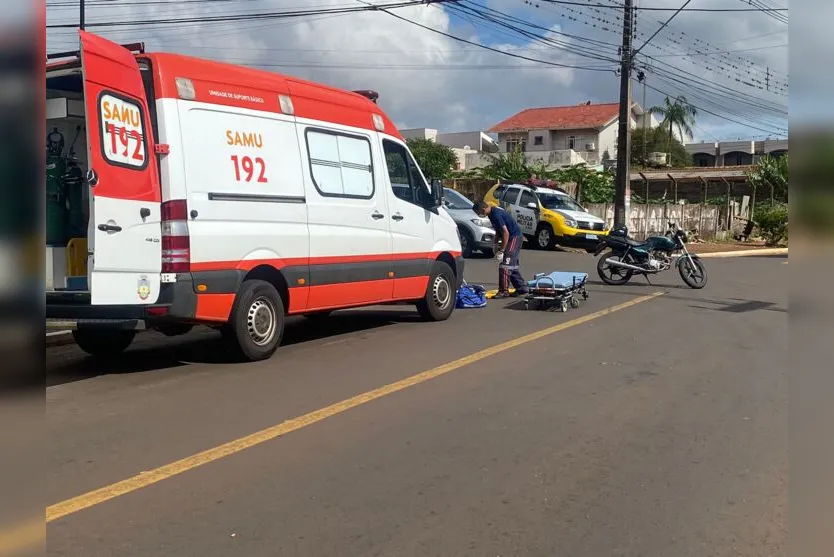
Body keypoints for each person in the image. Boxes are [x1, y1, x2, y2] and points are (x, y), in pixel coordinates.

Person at [473, 200, 528, 298]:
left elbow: (505, 232)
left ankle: (504, 291)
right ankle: (521, 288)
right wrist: (495, 244)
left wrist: (502, 250)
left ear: (483, 209)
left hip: (514, 237)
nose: (479, 215)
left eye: (479, 213)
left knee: (505, 266)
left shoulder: (496, 215)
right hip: (512, 237)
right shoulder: (491, 214)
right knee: (511, 265)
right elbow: (499, 231)